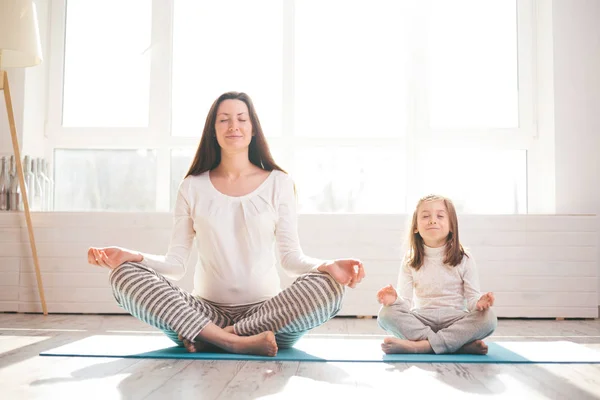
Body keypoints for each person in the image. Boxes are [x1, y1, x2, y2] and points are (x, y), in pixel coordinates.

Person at [87, 91, 365, 357]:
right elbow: (175, 264)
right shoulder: (191, 187)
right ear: (213, 129)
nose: (234, 125)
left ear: (253, 128)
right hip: (202, 314)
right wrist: (131, 257)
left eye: (242, 119)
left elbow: (291, 259)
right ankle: (232, 341)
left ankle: (223, 337)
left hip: (267, 315)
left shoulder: (280, 183)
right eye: (224, 119)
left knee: (329, 287)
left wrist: (326, 265)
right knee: (123, 275)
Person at [376, 194, 497, 355]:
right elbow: (405, 302)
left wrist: (480, 303)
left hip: (455, 320)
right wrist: (394, 300)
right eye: (426, 216)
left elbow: (472, 301)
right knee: (385, 314)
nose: (433, 220)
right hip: (422, 320)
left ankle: (421, 346)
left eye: (440, 216)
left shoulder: (464, 258)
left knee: (488, 318)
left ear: (451, 225)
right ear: (416, 227)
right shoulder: (410, 259)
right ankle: (458, 345)